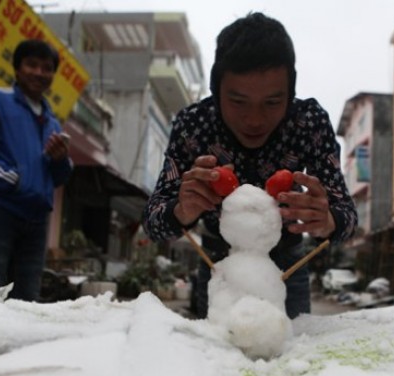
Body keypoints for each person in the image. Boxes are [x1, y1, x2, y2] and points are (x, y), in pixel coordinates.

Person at [142, 12, 357, 318]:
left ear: (290, 93)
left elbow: (348, 219)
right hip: (219, 266)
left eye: (272, 102)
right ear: (216, 92)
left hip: (286, 268)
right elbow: (152, 223)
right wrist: (181, 210)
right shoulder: (193, 125)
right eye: (238, 101)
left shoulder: (308, 122)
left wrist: (329, 219)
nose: (254, 120)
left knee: (291, 358)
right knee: (219, 356)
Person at [0, 39, 72, 301]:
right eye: (32, 65)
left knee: (27, 300)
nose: (39, 73)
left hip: (37, 221)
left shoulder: (52, 122)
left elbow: (60, 176)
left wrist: (60, 159)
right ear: (17, 69)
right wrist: (13, 180)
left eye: (47, 68)